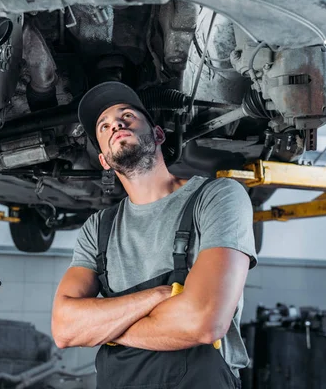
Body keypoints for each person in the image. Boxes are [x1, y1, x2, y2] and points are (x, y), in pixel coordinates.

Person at [51, 81, 257, 388]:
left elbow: (203, 322)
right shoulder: (98, 229)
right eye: (104, 127)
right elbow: (65, 328)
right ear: (104, 160)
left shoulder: (217, 197)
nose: (116, 124)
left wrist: (102, 328)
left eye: (128, 116)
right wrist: (159, 296)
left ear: (158, 134)